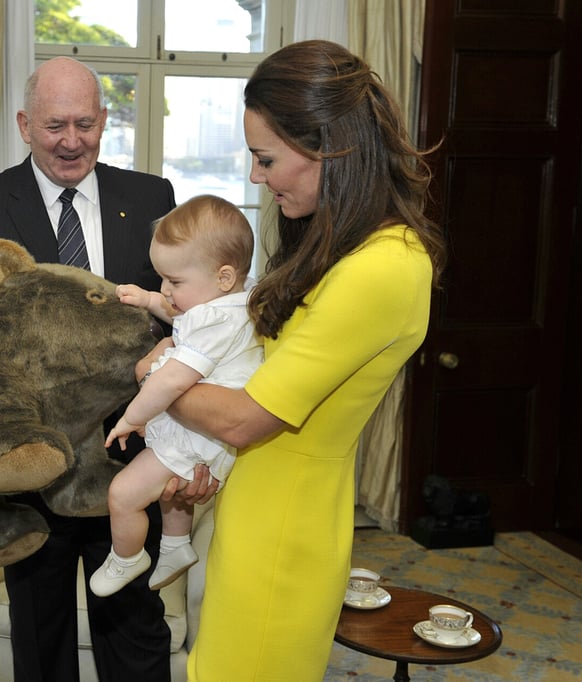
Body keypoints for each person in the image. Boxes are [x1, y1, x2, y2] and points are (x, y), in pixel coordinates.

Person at [146, 40, 447, 681]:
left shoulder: (385, 265)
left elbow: (244, 419)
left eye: (266, 158)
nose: (255, 176)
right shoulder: (339, 247)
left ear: (330, 146)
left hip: (283, 530)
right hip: (253, 505)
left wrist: (153, 374)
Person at [0, 56, 179, 682]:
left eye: (86, 124)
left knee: (133, 623)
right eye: (55, 125)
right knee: (39, 633)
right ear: (24, 124)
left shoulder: (151, 197)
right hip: (28, 463)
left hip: (128, 453)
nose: (72, 141)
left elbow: (182, 320)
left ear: (104, 122)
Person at [89, 195, 263, 598]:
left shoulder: (214, 320)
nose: (165, 289)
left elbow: (169, 383)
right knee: (171, 493)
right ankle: (175, 545)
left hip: (199, 433)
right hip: (208, 434)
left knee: (123, 494)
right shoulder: (234, 302)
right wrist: (152, 301)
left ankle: (127, 557)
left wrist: (132, 417)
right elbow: (187, 318)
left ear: (222, 276)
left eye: (175, 282)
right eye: (162, 280)